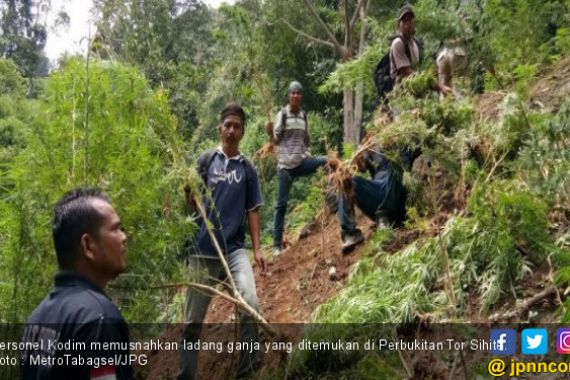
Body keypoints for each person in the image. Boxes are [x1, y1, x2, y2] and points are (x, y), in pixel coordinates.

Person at [179, 103, 266, 380]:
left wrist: (257, 249)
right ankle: (185, 375)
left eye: (236, 126)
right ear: (220, 128)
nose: (231, 130)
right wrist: (189, 196)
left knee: (249, 303)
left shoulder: (247, 169)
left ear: (242, 132)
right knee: (192, 322)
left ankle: (247, 372)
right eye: (227, 125)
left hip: (234, 251)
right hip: (203, 251)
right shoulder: (206, 161)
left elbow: (252, 210)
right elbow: (192, 204)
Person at [21, 188, 132, 380]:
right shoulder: (100, 319)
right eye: (115, 229)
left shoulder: (36, 319)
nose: (124, 237)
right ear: (88, 245)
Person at [267, 81, 327, 257]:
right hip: (285, 167)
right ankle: (277, 246)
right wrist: (271, 134)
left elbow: (306, 139)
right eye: (293, 93)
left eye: (298, 93)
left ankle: (332, 199)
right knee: (281, 205)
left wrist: (308, 152)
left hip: (301, 162)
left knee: (327, 161)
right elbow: (276, 141)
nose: (295, 96)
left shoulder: (303, 116)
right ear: (289, 95)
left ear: (301, 96)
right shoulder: (282, 115)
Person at [337, 145, 420, 254]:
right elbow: (361, 166)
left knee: (398, 162)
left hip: (396, 194)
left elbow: (418, 145)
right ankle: (351, 233)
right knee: (346, 181)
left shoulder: (403, 142)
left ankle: (384, 217)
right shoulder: (374, 144)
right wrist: (357, 159)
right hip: (377, 193)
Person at [390, 5, 451, 94]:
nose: (408, 23)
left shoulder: (415, 42)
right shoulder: (398, 43)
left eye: (410, 20)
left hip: (416, 90)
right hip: (402, 94)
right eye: (404, 21)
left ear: (414, 22)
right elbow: (407, 72)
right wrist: (439, 86)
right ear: (398, 25)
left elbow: (418, 70)